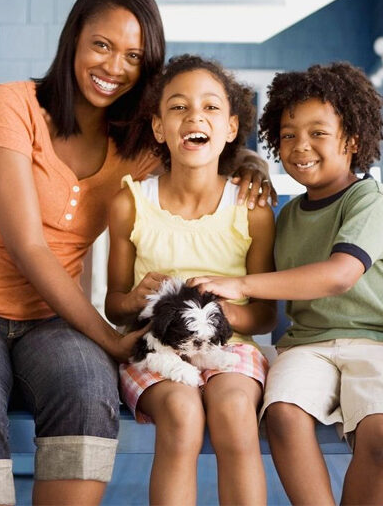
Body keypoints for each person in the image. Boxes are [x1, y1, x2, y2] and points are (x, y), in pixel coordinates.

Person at [0, 0, 272, 506]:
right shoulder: (12, 104)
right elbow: (29, 245)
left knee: (87, 392)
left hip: (53, 324)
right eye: (102, 45)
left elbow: (197, 147)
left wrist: (249, 163)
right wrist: (110, 337)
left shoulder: (136, 147)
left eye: (134, 56)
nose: (114, 66)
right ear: (74, 37)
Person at [190, 62, 383, 506]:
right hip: (307, 346)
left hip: (381, 344)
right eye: (287, 135)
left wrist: (240, 283)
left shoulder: (369, 199)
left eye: (318, 133)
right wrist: (250, 166)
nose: (300, 146)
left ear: (353, 140)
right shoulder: (288, 214)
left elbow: (340, 275)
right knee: (282, 414)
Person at [105, 55, 277, 506]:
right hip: (153, 350)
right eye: (178, 107)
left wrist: (220, 312)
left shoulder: (251, 208)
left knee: (235, 408)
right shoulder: (131, 203)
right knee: (182, 412)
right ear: (159, 127)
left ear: (231, 127)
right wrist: (134, 299)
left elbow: (263, 315)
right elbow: (114, 305)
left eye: (211, 108)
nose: (195, 116)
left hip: (229, 345)